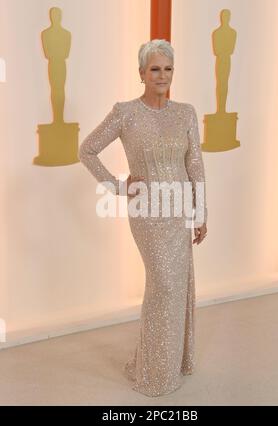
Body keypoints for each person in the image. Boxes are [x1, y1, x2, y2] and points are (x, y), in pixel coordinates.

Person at [78, 39, 208, 397]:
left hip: (180, 209)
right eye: (155, 69)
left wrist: (201, 211)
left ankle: (171, 362)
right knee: (163, 283)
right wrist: (119, 187)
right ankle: (154, 372)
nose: (162, 75)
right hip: (147, 211)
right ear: (141, 73)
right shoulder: (125, 112)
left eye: (167, 69)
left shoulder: (186, 113)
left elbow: (194, 163)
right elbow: (86, 149)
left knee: (176, 285)